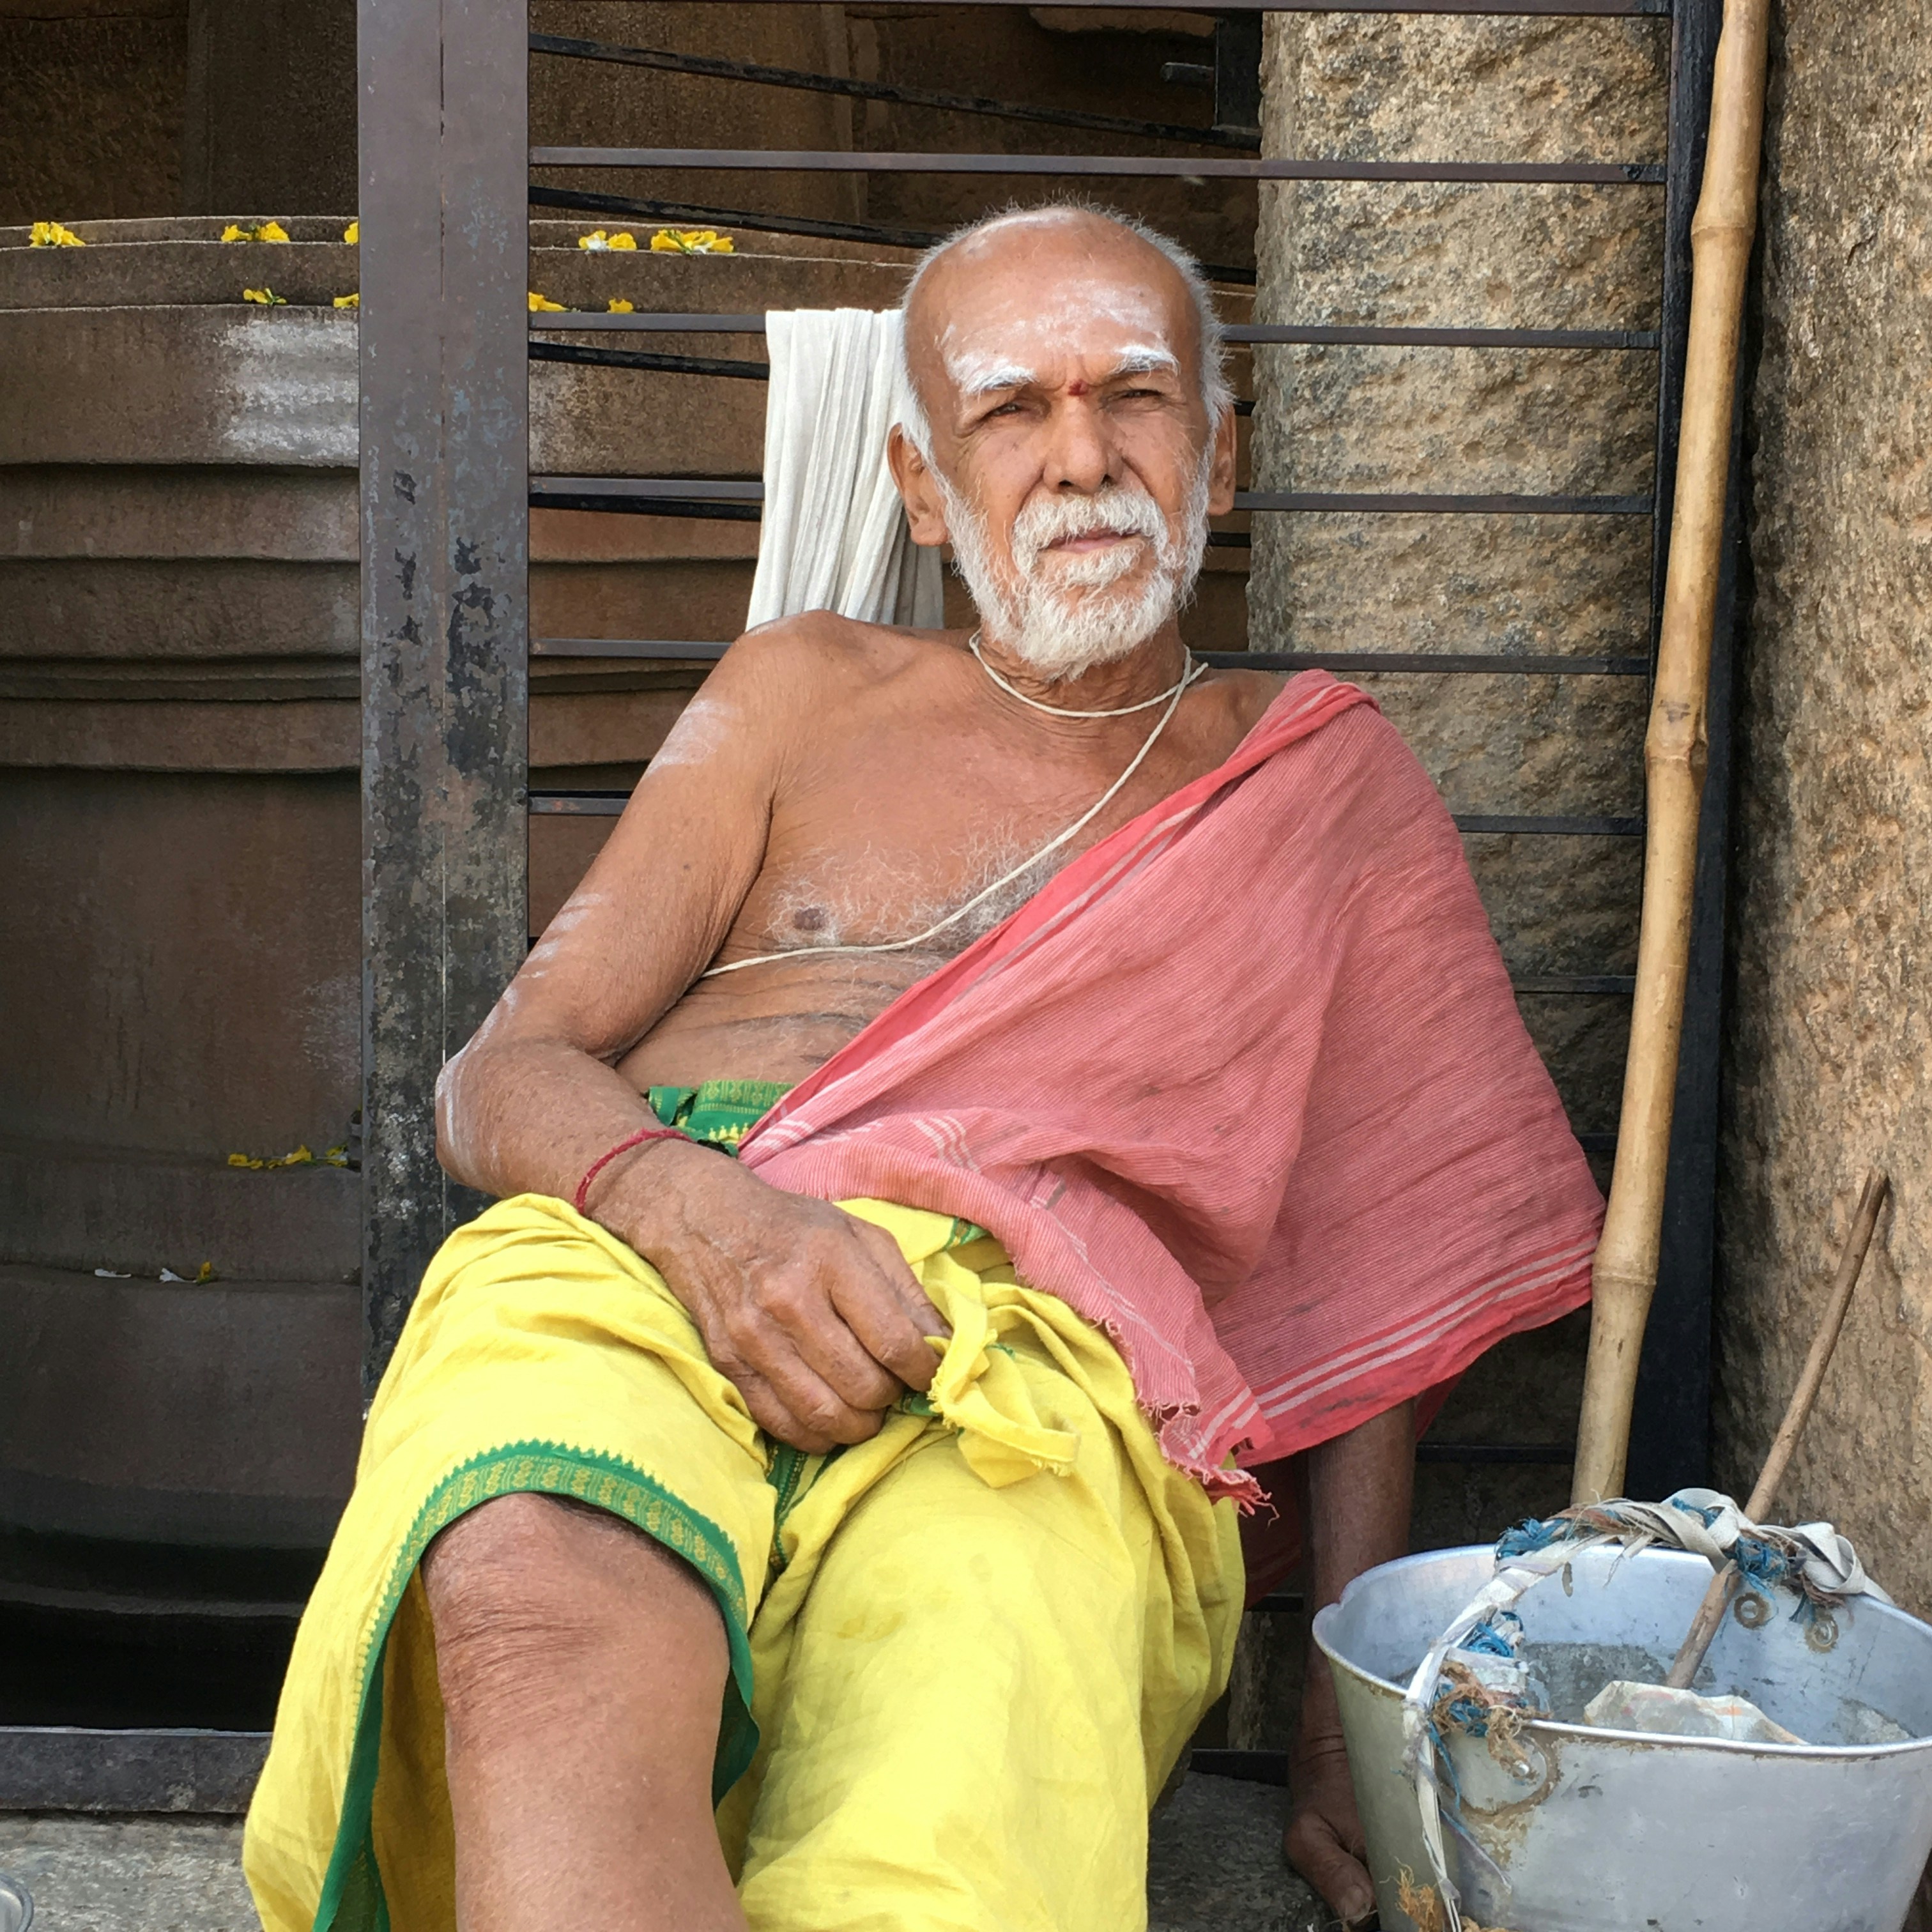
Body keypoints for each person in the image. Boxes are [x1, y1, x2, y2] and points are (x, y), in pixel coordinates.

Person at [244, 204, 1602, 1932]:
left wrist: (1350, 1727)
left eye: (1136, 397)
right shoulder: (802, 690)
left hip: (1052, 1356)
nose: (1083, 457)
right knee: (530, 1575)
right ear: (917, 480)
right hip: (658, 1230)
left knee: (969, 1723)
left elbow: (1381, 1282)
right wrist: (707, 1220)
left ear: (1225, 453)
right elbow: (499, 1077)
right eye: (1011, 410)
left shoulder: (1317, 785)